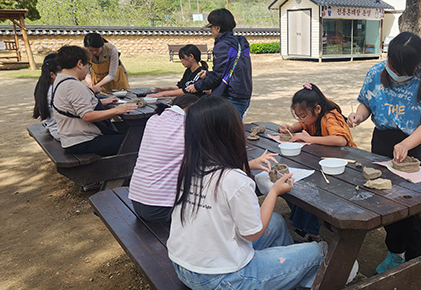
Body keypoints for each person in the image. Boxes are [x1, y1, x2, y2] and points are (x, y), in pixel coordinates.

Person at [167, 96, 325, 289]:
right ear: (232, 133)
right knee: (316, 253)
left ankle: (284, 279)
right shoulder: (235, 181)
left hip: (185, 268)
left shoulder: (189, 168)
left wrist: (247, 165)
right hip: (223, 279)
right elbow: (253, 234)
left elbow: (219, 179)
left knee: (275, 221)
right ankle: (288, 276)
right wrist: (274, 192)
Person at [347, 32, 421, 274]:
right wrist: (359, 115)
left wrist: (407, 144)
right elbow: (366, 103)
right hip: (381, 142)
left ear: (416, 65)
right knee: (384, 201)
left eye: (401, 72)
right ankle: (395, 253)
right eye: (392, 66)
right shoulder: (375, 72)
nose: (394, 73)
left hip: (412, 145)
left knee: (411, 203)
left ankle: (415, 256)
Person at [129, 95, 278, 223]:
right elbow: (218, 173)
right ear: (195, 110)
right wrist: (250, 166)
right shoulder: (189, 128)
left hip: (137, 199)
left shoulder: (155, 119)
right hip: (162, 208)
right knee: (230, 191)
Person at [278, 83, 357, 242]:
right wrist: (291, 128)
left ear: (318, 109)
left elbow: (341, 140)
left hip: (344, 166)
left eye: (303, 115)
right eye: (298, 115)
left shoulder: (330, 117)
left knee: (311, 190)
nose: (301, 119)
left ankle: (313, 235)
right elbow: (302, 124)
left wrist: (310, 138)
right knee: (299, 184)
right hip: (323, 162)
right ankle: (302, 227)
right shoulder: (311, 117)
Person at [52, 45, 137, 156]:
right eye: (89, 65)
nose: (89, 69)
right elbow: (87, 116)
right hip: (83, 141)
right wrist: (117, 110)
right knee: (134, 140)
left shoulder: (61, 80)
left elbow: (73, 107)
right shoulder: (73, 85)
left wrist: (103, 102)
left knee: (127, 131)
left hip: (72, 139)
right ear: (80, 64)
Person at [185, 8, 252, 118]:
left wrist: (196, 86)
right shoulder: (239, 43)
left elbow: (218, 76)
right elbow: (228, 70)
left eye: (211, 27)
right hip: (243, 94)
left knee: (221, 132)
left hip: (231, 97)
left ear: (217, 28)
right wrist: (208, 74)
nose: (210, 30)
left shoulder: (222, 46)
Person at [32, 53, 61, 140]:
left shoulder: (42, 85)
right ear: (53, 74)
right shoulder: (55, 89)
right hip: (59, 131)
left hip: (50, 126)